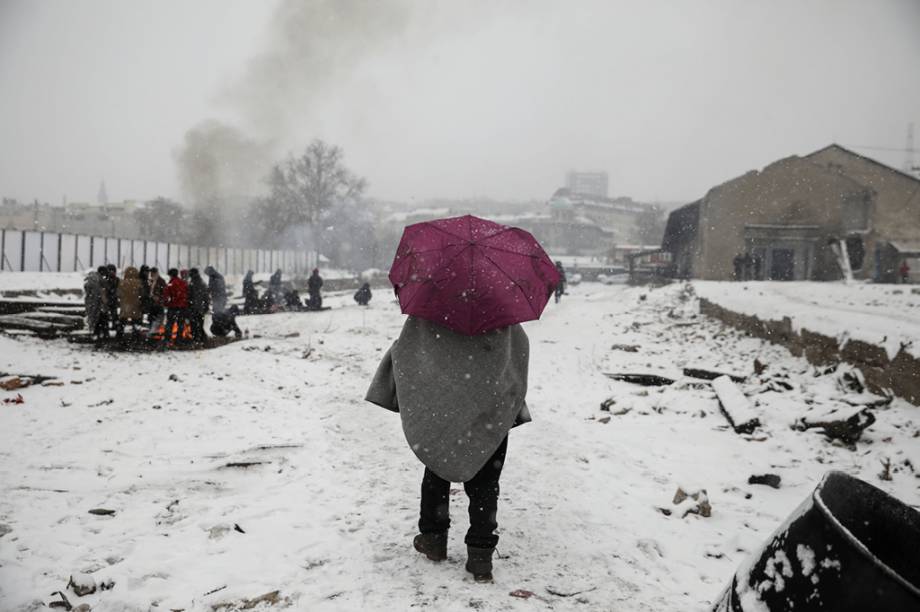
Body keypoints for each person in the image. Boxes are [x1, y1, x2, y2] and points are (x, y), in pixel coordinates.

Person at [365, 317, 531, 582]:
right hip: (491, 410)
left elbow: (408, 352)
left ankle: (433, 538)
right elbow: (518, 357)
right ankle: (480, 555)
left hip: (444, 408)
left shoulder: (429, 310)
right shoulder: (502, 312)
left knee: (437, 466)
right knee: (486, 482)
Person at [162, 268, 189, 343]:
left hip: (173, 307)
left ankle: (167, 338)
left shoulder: (170, 284)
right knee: (180, 323)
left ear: (170, 275)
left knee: (170, 323)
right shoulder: (183, 283)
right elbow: (186, 294)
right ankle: (179, 339)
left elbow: (166, 296)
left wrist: (166, 304)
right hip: (182, 307)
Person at [117, 267, 144, 335]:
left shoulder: (122, 283)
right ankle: (136, 336)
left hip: (125, 305)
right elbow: (142, 293)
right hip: (135, 305)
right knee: (135, 322)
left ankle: (120, 335)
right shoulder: (138, 283)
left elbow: (118, 294)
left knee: (122, 321)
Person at [187, 268, 210, 343]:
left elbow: (189, 296)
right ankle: (202, 340)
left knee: (194, 325)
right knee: (200, 325)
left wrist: (189, 305)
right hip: (200, 308)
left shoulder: (192, 283)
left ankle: (196, 340)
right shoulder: (202, 282)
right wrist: (206, 306)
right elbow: (206, 296)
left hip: (194, 308)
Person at [83, 270, 107, 339]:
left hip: (90, 302)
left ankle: (93, 331)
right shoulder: (99, 283)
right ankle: (98, 333)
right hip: (96, 303)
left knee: (92, 316)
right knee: (97, 316)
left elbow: (87, 293)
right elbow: (99, 295)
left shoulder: (89, 282)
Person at [146, 267, 167, 337]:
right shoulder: (151, 281)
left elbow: (164, 293)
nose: (150, 274)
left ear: (155, 273)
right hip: (152, 304)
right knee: (152, 320)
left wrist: (159, 298)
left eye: (152, 273)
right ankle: (151, 335)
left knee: (157, 321)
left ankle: (153, 334)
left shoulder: (161, 281)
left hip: (158, 304)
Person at [103, 264, 121, 336]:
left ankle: (115, 326)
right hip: (108, 300)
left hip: (113, 299)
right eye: (110, 270)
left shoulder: (117, 280)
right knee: (106, 315)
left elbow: (119, 289)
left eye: (113, 271)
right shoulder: (105, 280)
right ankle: (106, 328)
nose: (111, 272)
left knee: (114, 314)